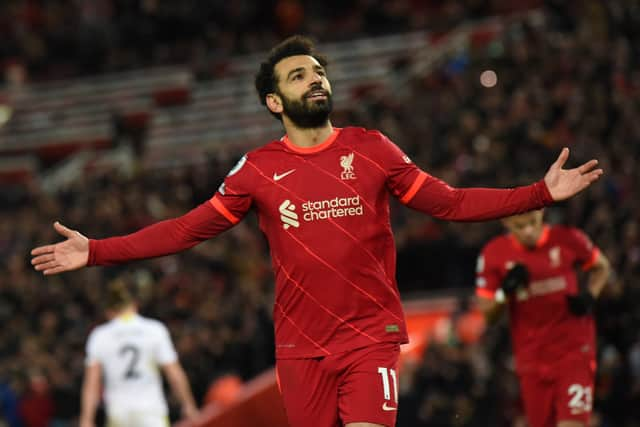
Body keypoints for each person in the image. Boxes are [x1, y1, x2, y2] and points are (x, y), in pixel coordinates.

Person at [32, 35, 603, 427]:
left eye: (320, 71)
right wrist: (99, 251)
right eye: (300, 75)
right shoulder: (256, 169)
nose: (317, 80)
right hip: (299, 350)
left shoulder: (371, 147)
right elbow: (187, 230)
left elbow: (448, 202)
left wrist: (539, 193)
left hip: (368, 338)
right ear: (274, 101)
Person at [475, 209, 611, 427]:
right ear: (506, 223)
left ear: (542, 214)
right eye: (520, 226)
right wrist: (504, 292)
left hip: (574, 353)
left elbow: (601, 267)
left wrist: (590, 295)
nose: (529, 231)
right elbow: (488, 315)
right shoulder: (494, 253)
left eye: (533, 222)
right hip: (532, 360)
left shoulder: (568, 238)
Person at [79, 281, 199, 427]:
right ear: (135, 304)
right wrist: (188, 405)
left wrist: (87, 419)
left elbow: (92, 384)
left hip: (119, 413)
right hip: (151, 412)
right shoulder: (155, 330)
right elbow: (174, 373)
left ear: (109, 310)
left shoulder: (99, 336)